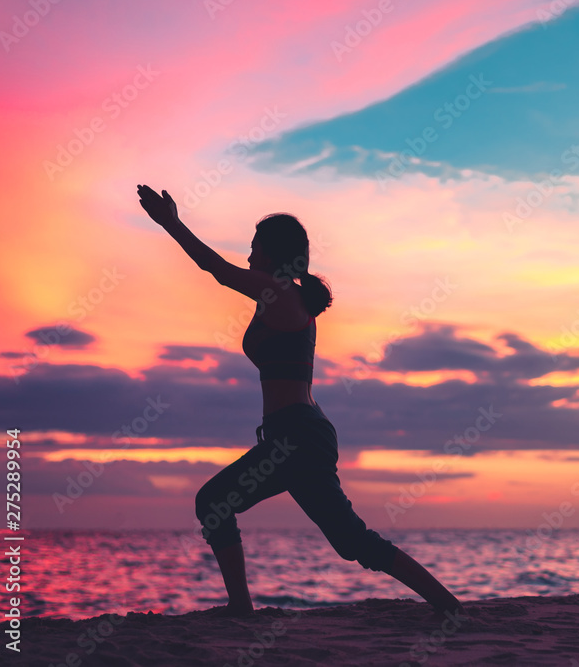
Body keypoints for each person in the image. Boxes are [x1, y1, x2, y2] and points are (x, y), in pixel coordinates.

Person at [136, 184, 463, 619]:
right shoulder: (280, 298)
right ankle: (449, 606)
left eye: (255, 248)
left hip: (296, 438)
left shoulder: (281, 294)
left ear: (272, 255)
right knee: (351, 541)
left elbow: (215, 268)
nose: (249, 256)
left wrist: (172, 224)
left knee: (218, 504)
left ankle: (241, 609)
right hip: (295, 437)